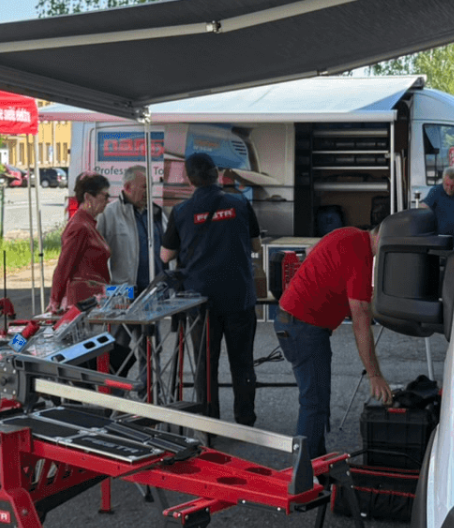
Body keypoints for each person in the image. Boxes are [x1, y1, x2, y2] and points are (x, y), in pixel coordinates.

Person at [273, 223, 390, 479]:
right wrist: (374, 375)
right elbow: (361, 320)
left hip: (294, 321)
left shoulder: (350, 234)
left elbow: (312, 252)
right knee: (313, 404)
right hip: (303, 326)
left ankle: (318, 467)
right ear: (381, 236)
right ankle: (304, 477)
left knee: (316, 401)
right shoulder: (361, 256)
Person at [161, 150, 260, 426]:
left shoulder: (181, 211)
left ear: (189, 179)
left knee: (205, 365)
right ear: (216, 174)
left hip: (200, 301)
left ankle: (210, 423)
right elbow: (255, 245)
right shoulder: (240, 203)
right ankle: (245, 420)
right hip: (239, 296)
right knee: (243, 362)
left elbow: (166, 256)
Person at [97, 165, 166, 288]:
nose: (149, 192)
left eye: (150, 187)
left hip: (156, 291)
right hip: (124, 291)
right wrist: (107, 291)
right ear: (128, 187)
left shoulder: (157, 213)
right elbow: (94, 257)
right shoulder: (108, 214)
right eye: (144, 187)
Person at [51, 172, 113, 310]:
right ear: (88, 197)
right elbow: (63, 267)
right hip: (84, 300)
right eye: (105, 196)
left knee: (132, 294)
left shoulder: (87, 224)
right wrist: (54, 301)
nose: (108, 201)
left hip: (94, 297)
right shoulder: (80, 226)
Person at [421, 165, 454, 237]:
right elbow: (424, 207)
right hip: (440, 237)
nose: (449, 188)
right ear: (443, 181)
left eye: (452, 186)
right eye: (447, 185)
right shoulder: (435, 191)